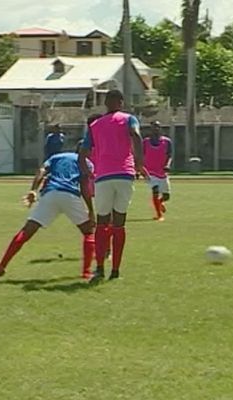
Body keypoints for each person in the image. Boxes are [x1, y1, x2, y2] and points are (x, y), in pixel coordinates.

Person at [0, 151, 96, 283]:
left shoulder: (56, 157)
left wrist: (33, 190)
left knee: (26, 231)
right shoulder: (87, 162)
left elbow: (42, 170)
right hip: (70, 194)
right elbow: (84, 185)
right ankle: (86, 273)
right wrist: (90, 210)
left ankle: (1, 266)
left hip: (50, 194)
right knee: (88, 232)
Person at [79, 89, 146, 282]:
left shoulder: (95, 125)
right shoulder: (129, 119)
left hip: (103, 177)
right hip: (125, 174)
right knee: (119, 223)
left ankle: (99, 267)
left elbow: (83, 152)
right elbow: (136, 136)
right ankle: (115, 270)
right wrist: (140, 163)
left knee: (102, 224)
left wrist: (88, 172)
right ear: (121, 103)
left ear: (106, 103)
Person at [143, 121, 172, 221]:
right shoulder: (145, 142)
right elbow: (140, 156)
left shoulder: (167, 141)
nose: (155, 129)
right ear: (150, 129)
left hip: (162, 172)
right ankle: (159, 215)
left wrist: (167, 165)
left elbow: (169, 155)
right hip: (150, 172)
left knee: (166, 196)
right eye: (153, 127)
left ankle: (160, 203)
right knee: (155, 191)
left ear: (160, 128)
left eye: (157, 127)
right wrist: (138, 169)